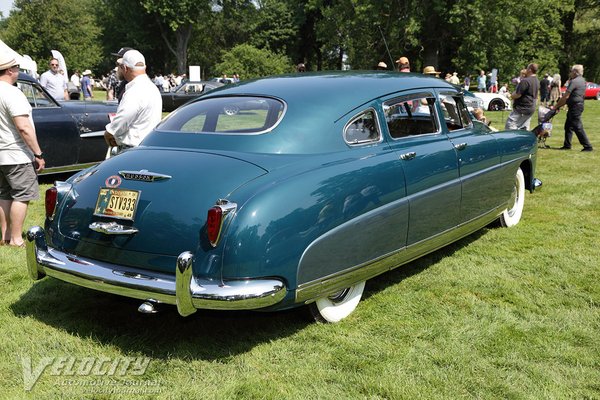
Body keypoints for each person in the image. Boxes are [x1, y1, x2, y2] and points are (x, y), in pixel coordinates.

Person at [0, 51, 45, 247]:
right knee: (22, 195)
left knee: (3, 194)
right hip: (16, 153)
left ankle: (5, 235)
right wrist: (38, 153)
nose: (18, 71)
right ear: (10, 70)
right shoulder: (13, 93)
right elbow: (23, 127)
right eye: (17, 68)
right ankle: (17, 239)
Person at [103, 50, 162, 153]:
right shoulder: (152, 88)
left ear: (125, 68)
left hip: (132, 149)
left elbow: (123, 118)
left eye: (120, 66)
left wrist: (109, 133)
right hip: (147, 145)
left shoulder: (135, 90)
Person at [552, 64, 593, 151]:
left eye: (571, 71)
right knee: (568, 126)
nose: (570, 73)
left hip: (575, 107)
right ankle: (567, 145)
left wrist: (556, 106)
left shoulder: (574, 82)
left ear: (575, 72)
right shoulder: (582, 80)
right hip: (577, 105)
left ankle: (588, 146)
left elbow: (565, 96)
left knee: (577, 127)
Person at [505, 63, 540, 130]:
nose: (526, 69)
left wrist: (511, 95)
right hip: (530, 108)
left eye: (527, 68)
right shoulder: (536, 80)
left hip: (522, 109)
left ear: (530, 69)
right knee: (524, 129)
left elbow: (517, 94)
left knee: (510, 126)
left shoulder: (526, 81)